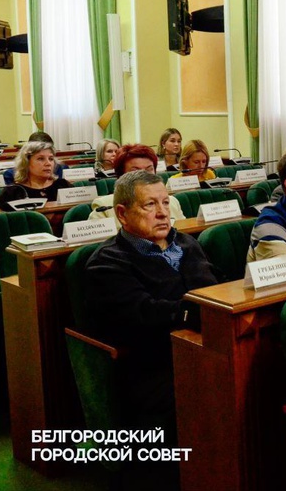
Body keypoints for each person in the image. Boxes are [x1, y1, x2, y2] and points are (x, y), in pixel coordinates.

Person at [84, 170, 221, 434]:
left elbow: (215, 288)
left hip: (208, 345)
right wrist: (195, 313)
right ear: (122, 214)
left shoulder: (187, 243)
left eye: (166, 203)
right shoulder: (106, 263)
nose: (162, 213)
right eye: (150, 204)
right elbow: (144, 317)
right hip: (156, 367)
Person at [89, 144, 186, 223]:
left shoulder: (172, 202)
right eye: (136, 171)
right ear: (121, 175)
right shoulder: (105, 207)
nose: (144, 176)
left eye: (149, 170)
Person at [0, 141, 73, 210]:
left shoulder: (63, 185)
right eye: (41, 159)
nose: (48, 163)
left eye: (51, 159)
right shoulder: (13, 192)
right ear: (26, 163)